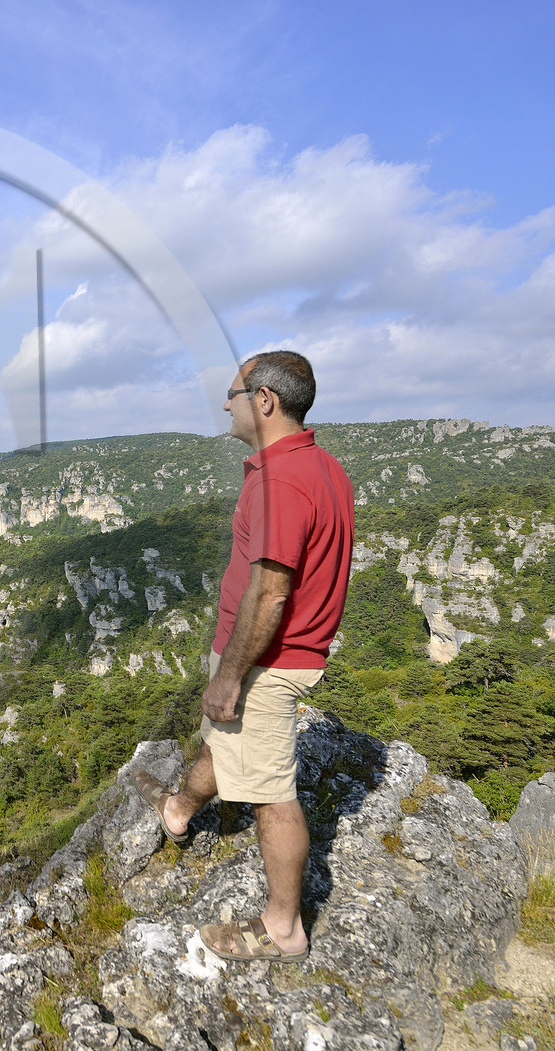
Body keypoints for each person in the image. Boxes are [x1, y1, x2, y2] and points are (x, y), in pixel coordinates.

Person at [133, 350, 354, 963]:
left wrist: (232, 675)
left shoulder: (280, 479)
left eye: (232, 392)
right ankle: (179, 810)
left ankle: (282, 929)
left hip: (266, 662)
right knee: (222, 741)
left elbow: (272, 590)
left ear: (264, 400)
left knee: (273, 795)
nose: (223, 404)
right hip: (277, 655)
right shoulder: (322, 466)